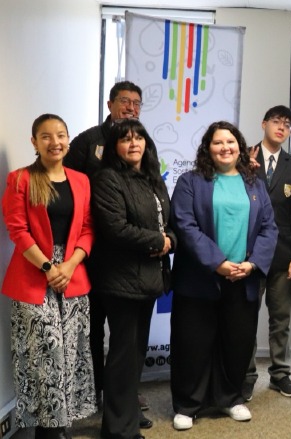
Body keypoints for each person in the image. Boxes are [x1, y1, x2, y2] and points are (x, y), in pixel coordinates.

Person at [169, 121, 278, 430]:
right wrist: (217, 262)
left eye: (230, 142)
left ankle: (230, 398)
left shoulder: (254, 183)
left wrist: (252, 264)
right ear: (208, 148)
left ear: (240, 147)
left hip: (243, 277)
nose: (225, 147)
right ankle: (188, 405)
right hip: (200, 278)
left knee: (237, 342)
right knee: (192, 343)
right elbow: (185, 225)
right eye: (218, 142)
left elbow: (269, 227)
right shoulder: (190, 182)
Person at [2, 114, 96, 439]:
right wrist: (48, 267)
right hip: (34, 276)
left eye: (60, 135)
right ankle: (47, 429)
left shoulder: (81, 180)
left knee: (69, 354)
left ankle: (60, 425)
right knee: (45, 353)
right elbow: (17, 230)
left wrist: (69, 265)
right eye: (46, 136)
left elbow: (87, 228)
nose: (54, 142)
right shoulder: (20, 179)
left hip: (72, 275)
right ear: (34, 142)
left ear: (68, 139)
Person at [63, 81, 153, 422]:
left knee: (128, 337)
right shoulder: (88, 142)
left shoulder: (140, 144)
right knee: (92, 330)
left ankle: (124, 399)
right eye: (124, 101)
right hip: (90, 253)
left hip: (129, 256)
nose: (130, 107)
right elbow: (65, 189)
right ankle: (95, 394)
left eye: (136, 103)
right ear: (110, 104)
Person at [89, 119, 174, 439]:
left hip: (150, 279)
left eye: (138, 137)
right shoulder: (107, 179)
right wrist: (158, 241)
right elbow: (116, 228)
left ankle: (125, 418)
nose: (133, 143)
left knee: (135, 353)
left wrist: (170, 241)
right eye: (125, 139)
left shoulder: (152, 178)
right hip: (120, 280)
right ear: (115, 147)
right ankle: (117, 430)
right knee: (123, 355)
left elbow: (168, 224)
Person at [242, 105, 291, 399]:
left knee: (280, 320)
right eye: (277, 122)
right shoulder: (243, 157)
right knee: (246, 318)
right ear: (264, 124)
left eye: (287, 124)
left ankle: (280, 374)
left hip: (283, 256)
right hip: (248, 256)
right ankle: (245, 375)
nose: (282, 127)